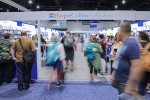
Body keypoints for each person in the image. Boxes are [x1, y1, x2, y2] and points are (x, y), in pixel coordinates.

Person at [110, 22, 144, 99]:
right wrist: (114, 74)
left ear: (122, 30)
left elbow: (136, 66)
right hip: (121, 82)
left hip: (126, 83)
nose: (118, 32)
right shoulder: (125, 43)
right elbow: (119, 60)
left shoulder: (132, 43)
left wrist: (131, 84)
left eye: (119, 30)